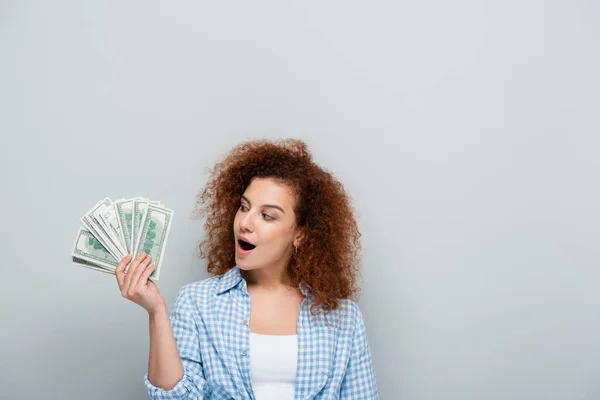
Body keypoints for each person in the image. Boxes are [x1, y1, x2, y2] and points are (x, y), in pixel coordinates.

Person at [115, 138, 379, 399]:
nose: (245, 223)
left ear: (300, 235)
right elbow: (176, 399)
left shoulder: (344, 319)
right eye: (244, 207)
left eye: (267, 216)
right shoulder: (197, 302)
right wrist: (156, 310)